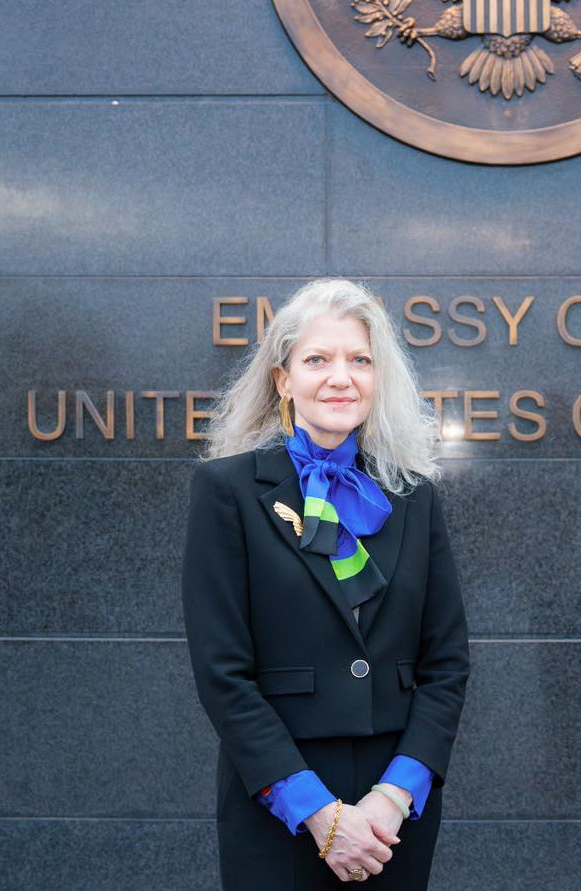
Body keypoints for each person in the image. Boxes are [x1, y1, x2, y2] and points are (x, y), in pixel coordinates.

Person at [184, 279, 468, 890]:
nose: (341, 377)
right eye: (318, 359)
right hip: (278, 803)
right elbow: (222, 674)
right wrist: (316, 812)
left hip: (394, 814)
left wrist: (396, 795)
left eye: (359, 360)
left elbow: (446, 664)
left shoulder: (413, 497)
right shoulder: (227, 492)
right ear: (283, 379)